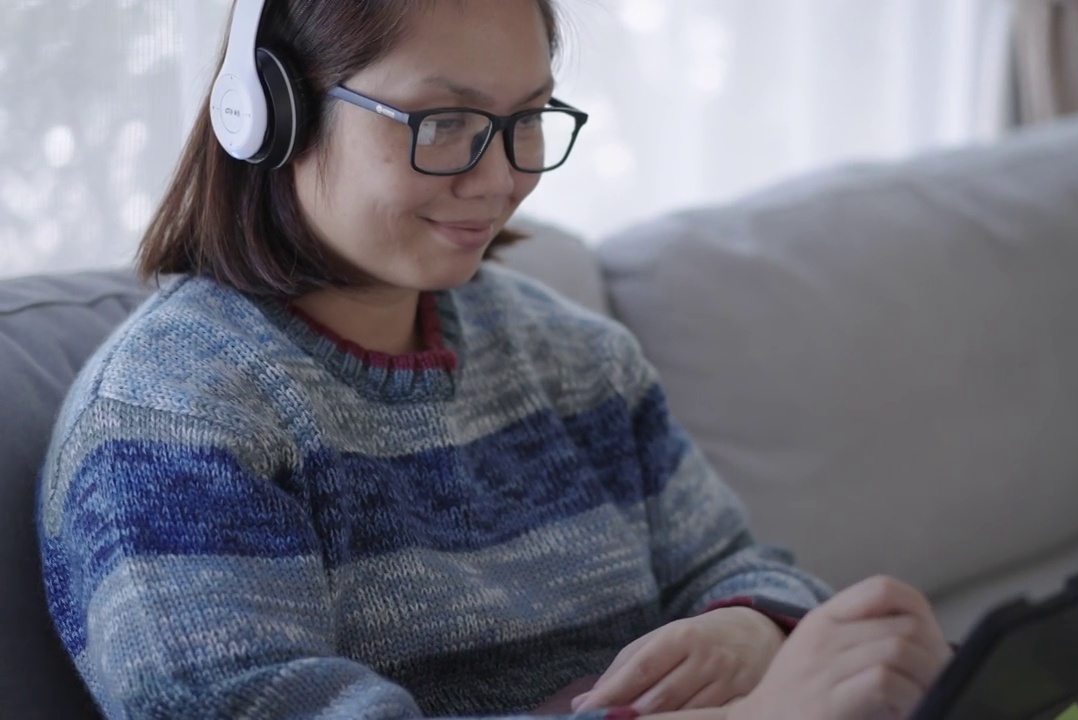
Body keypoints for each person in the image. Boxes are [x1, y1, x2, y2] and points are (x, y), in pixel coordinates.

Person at [36, 1, 953, 718]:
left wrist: (751, 630)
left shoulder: (574, 356)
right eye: (442, 121)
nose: (503, 175)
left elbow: (735, 563)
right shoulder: (171, 417)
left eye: (527, 117)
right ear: (269, 113)